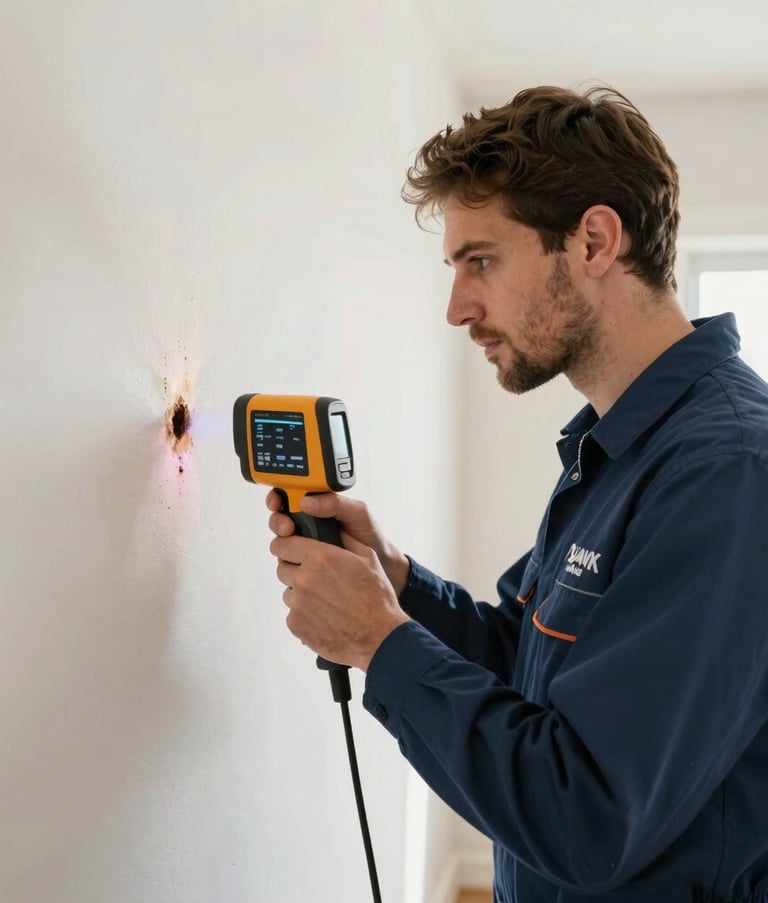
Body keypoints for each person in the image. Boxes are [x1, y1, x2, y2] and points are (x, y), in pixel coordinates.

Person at [267, 86, 768, 902]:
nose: (458, 307)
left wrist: (380, 644)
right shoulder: (613, 448)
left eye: (482, 261)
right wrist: (397, 587)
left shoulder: (728, 471)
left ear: (595, 241)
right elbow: (526, 663)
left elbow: (588, 815)